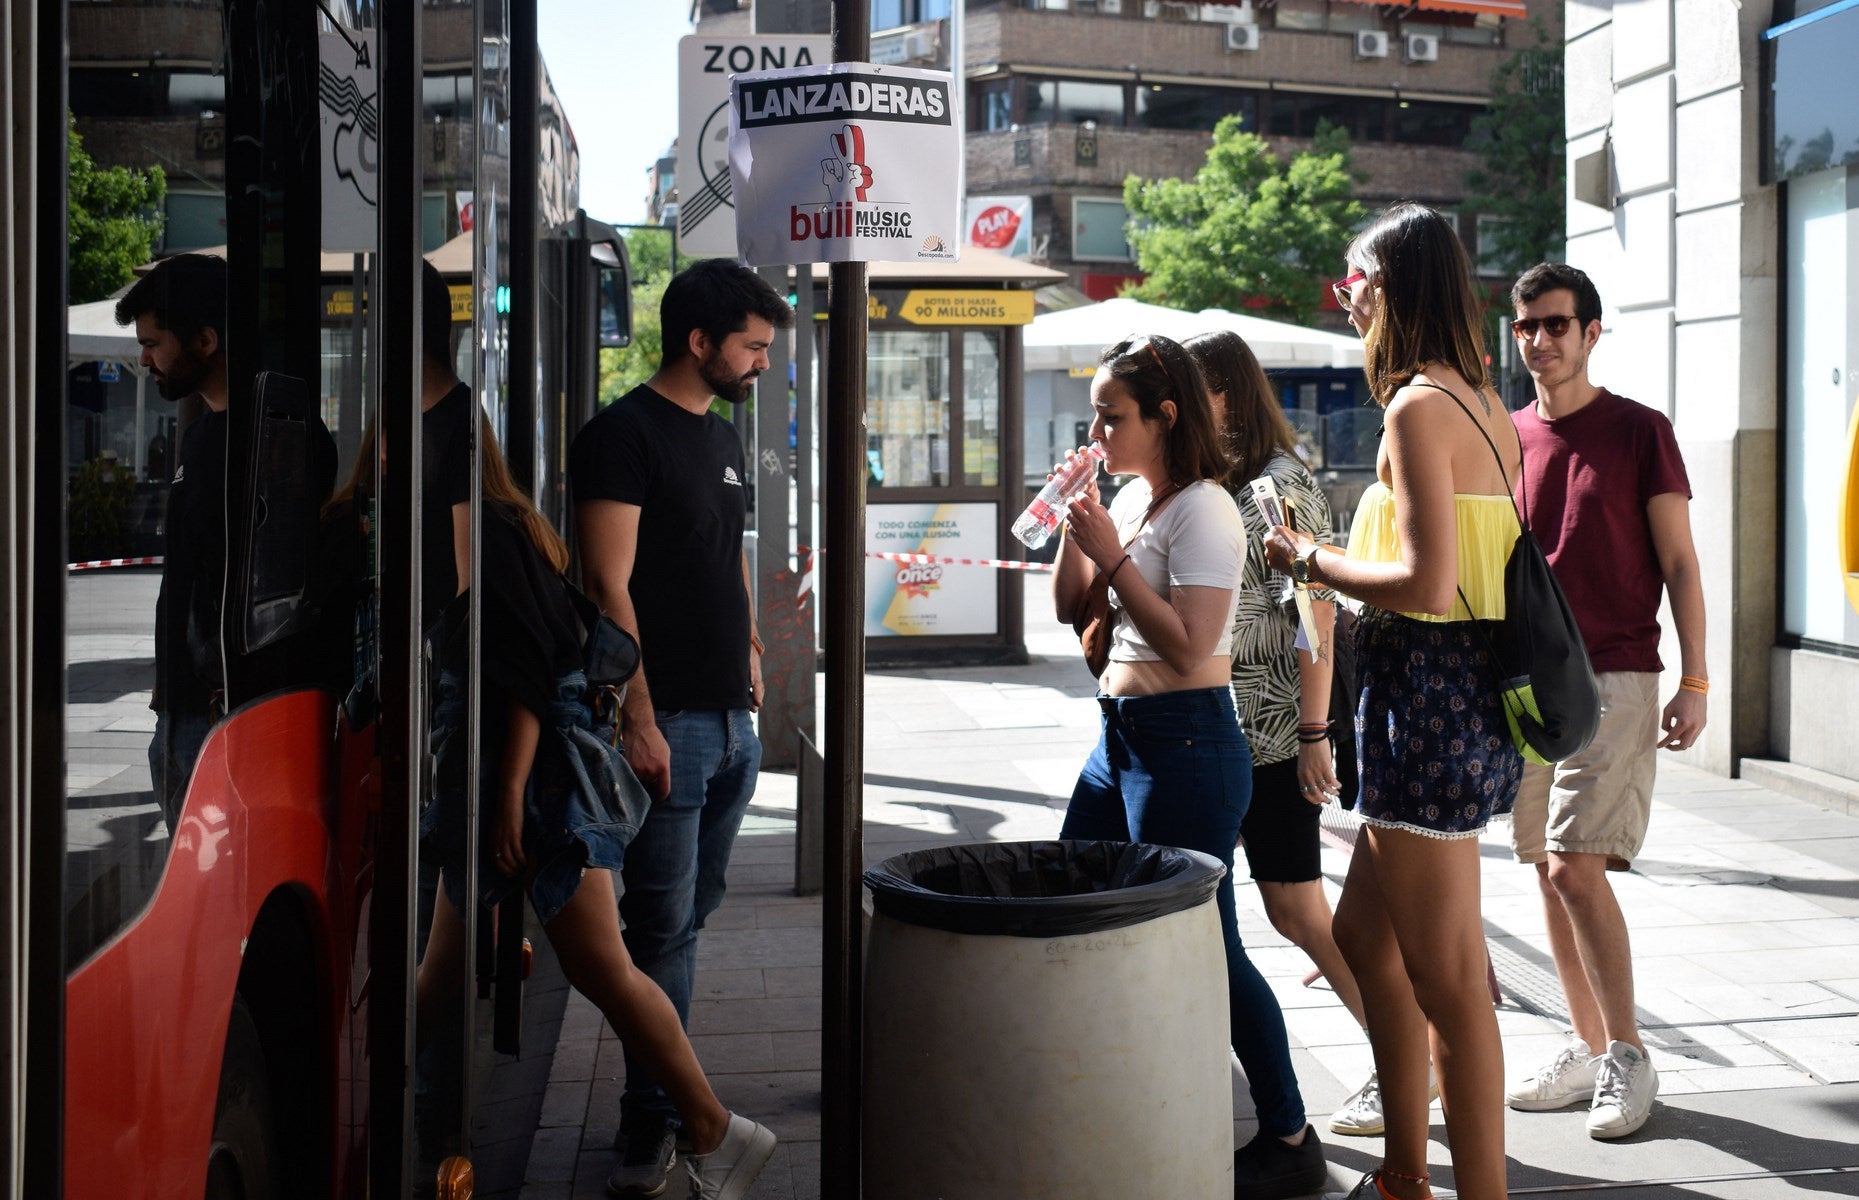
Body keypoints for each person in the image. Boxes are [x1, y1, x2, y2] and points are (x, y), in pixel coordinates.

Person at [416, 423, 776, 1200]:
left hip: (535, 791)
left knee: (601, 965)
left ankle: (713, 1127)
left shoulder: (488, 529)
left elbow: (521, 676)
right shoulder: (481, 525)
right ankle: (393, 1120)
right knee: (443, 975)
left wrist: (508, 796)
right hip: (487, 790)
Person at [1265, 203, 1524, 1200]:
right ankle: (1401, 1175)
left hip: (1424, 700)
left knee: (1453, 984)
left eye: (1354, 280)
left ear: (1397, 288)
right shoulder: (1479, 400)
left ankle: (1470, 1193)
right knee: (1367, 939)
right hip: (1449, 699)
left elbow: (1422, 580)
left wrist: (1306, 557)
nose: (1347, 297)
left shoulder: (1419, 405)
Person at [1054, 333, 1328, 1200]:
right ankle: (1121, 1091)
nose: (1096, 429)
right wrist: (1080, 521)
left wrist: (1114, 553)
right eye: (1095, 414)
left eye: (1111, 416)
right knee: (1072, 894)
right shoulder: (1136, 500)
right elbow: (1070, 606)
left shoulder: (1205, 507)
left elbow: (1191, 641)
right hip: (1122, 739)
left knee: (1208, 946)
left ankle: (1287, 1130)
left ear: (1163, 417)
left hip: (1188, 742)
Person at [568, 258, 794, 1196]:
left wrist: (748, 649)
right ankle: (653, 1123)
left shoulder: (725, 437)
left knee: (689, 919)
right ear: (698, 341)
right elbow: (604, 583)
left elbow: (721, 556)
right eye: (750, 347)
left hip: (731, 716)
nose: (760, 364)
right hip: (670, 723)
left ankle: (664, 1103)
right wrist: (640, 716)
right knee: (661, 929)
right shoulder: (621, 436)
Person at [1499, 263, 1705, 1140]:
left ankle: (1628, 1054)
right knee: (1546, 872)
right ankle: (1585, 1047)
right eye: (1526, 327)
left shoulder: (1637, 430)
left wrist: (1695, 679)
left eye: (1556, 324)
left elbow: (1681, 563)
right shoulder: (1504, 437)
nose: (1540, 341)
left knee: (1576, 867)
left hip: (1616, 672)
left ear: (1590, 332)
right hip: (1521, 682)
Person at [1186, 330, 1388, 1139]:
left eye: (1190, 392)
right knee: (1278, 911)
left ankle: (1403, 1054)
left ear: (1227, 394)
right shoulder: (1215, 481)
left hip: (1270, 731)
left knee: (1300, 913)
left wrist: (1314, 733)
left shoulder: (1278, 487)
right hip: (1222, 729)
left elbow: (1316, 614)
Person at [116, 252, 335, 831]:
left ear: (205, 340)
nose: (144, 359)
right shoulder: (202, 433)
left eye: (153, 342)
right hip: (190, 708)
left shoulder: (278, 440)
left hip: (232, 712)